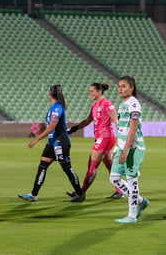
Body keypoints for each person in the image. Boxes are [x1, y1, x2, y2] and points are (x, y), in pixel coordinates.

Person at [18, 85, 84, 202]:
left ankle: (79, 194)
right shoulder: (54, 107)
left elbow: (52, 126)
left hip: (60, 142)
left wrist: (37, 139)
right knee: (42, 166)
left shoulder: (57, 108)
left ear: (50, 94)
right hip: (52, 142)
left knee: (66, 167)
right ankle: (33, 195)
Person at [66, 82, 123, 200]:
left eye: (92, 91)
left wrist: (120, 139)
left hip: (106, 137)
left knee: (92, 166)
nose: (90, 93)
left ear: (99, 91)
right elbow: (87, 121)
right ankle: (120, 190)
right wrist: (73, 129)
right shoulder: (95, 105)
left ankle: (81, 193)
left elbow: (116, 121)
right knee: (109, 164)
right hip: (101, 137)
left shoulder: (107, 104)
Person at [109, 76, 149, 223]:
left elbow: (132, 129)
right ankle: (140, 200)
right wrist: (117, 146)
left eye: (124, 86)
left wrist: (125, 150)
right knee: (114, 178)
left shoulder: (133, 104)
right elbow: (122, 129)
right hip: (122, 147)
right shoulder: (122, 104)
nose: (120, 89)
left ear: (131, 88)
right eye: (119, 86)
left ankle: (132, 216)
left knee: (132, 181)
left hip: (133, 148)